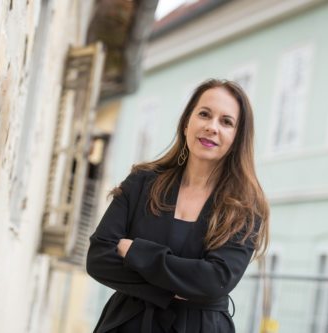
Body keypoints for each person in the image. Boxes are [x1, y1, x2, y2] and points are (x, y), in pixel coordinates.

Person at [86, 78, 270, 333]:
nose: (212, 127)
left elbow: (215, 281)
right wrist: (173, 290)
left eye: (226, 122)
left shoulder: (246, 208)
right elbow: (98, 258)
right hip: (127, 324)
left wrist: (135, 252)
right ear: (186, 123)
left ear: (237, 138)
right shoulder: (141, 183)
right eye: (204, 114)